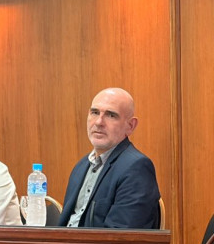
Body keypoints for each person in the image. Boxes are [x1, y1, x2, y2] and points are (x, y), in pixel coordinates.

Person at [60, 87, 161, 229]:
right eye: (94, 112)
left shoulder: (137, 168)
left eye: (111, 115)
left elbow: (120, 239)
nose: (99, 122)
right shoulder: (81, 166)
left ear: (130, 126)